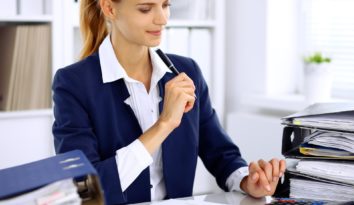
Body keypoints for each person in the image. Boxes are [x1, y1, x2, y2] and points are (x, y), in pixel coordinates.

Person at [52, 0, 286, 204]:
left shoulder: (187, 71)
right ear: (109, 8)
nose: (162, 19)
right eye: (145, 9)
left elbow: (221, 154)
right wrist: (164, 124)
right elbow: (84, 188)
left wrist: (247, 181)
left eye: (165, 5)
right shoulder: (73, 83)